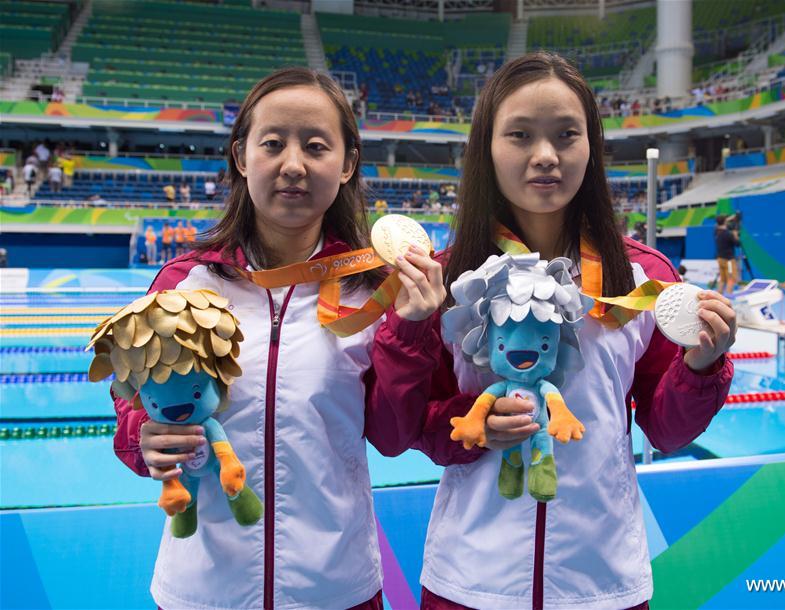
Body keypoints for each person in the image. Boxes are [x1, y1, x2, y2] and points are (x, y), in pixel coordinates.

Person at [381, 52, 736, 610]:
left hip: (601, 581)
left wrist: (701, 366)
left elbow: (666, 432)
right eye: (520, 135)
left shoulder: (642, 280)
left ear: (591, 147)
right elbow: (402, 429)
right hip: (472, 580)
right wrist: (472, 430)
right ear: (486, 149)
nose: (545, 156)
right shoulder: (445, 281)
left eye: (566, 135)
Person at [109, 67, 446, 610]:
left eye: (316, 146)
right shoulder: (186, 283)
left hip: (337, 589)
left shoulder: (374, 292)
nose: (293, 165)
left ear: (347, 164)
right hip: (204, 590)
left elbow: (390, 435)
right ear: (242, 158)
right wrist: (141, 437)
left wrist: (409, 330)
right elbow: (132, 404)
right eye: (273, 144)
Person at [715, 214, 741, 295]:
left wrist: (728, 218)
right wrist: (735, 234)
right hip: (728, 260)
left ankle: (718, 296)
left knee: (722, 279)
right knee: (731, 279)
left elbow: (718, 223)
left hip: (720, 259)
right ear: (725, 222)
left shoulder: (716, 232)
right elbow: (737, 244)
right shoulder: (728, 234)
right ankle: (729, 298)